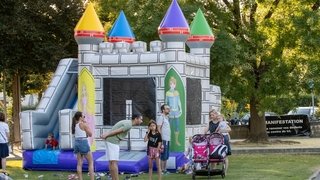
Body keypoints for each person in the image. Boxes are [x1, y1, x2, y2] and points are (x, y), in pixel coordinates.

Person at [100, 114, 143, 180]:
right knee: (114, 162)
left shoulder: (127, 122)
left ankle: (113, 178)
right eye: (141, 119)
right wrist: (106, 134)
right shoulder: (129, 125)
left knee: (111, 162)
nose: (141, 121)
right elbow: (116, 131)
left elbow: (115, 129)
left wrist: (106, 135)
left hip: (110, 140)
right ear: (136, 119)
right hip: (113, 141)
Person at [72, 111, 94, 180]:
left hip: (76, 143)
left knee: (79, 163)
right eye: (83, 116)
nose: (84, 118)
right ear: (80, 117)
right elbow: (90, 134)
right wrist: (86, 124)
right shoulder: (83, 125)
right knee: (90, 162)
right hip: (83, 142)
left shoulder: (75, 125)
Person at [165, 77, 182, 146]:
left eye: (174, 84)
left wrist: (180, 109)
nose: (172, 85)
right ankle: (169, 141)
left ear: (175, 85)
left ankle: (176, 141)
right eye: (171, 84)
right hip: (171, 112)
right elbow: (166, 103)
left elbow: (179, 101)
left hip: (177, 111)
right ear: (169, 84)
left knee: (177, 126)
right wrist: (167, 110)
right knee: (169, 126)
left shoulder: (177, 92)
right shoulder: (168, 93)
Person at [156, 104, 171, 174]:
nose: (169, 109)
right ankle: (161, 170)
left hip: (167, 139)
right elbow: (158, 128)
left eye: (169, 108)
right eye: (167, 108)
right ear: (163, 110)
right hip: (163, 139)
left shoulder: (166, 117)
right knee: (163, 155)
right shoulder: (161, 117)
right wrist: (161, 139)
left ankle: (164, 169)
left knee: (166, 155)